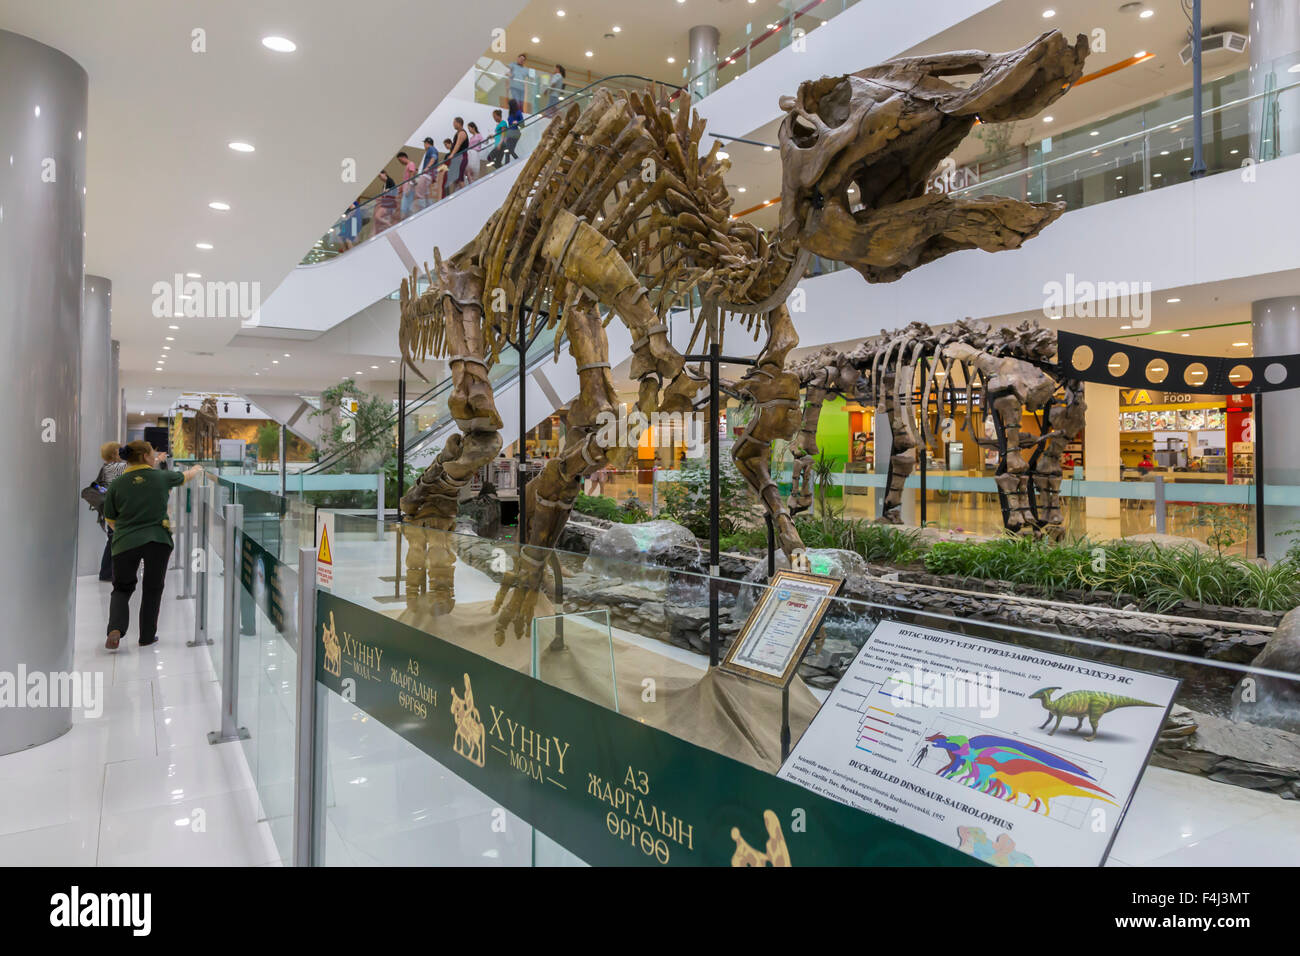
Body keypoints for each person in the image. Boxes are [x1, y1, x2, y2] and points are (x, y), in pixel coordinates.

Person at [102, 441, 202, 650]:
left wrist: (126, 529)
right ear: (147, 457)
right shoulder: (161, 477)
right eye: (153, 453)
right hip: (157, 540)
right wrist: (196, 469)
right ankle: (147, 636)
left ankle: (115, 628)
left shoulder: (117, 484)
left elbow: (110, 518)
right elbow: (185, 477)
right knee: (153, 588)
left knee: (121, 588)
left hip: (125, 542)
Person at [91, 441, 127, 581]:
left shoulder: (105, 467)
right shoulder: (117, 467)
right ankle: (107, 572)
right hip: (117, 509)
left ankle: (108, 571)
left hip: (110, 508)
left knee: (113, 539)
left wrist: (106, 492)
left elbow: (96, 485)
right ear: (114, 453)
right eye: (119, 450)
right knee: (114, 540)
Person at [448, 117, 470, 192]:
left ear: (459, 123)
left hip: (461, 157)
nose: (453, 124)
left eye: (454, 123)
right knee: (456, 179)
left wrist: (452, 154)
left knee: (460, 179)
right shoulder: (458, 133)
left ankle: (466, 194)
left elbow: (458, 145)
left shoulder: (462, 133)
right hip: (458, 158)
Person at [500, 99, 523, 166]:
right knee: (509, 150)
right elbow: (509, 125)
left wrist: (517, 122)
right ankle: (510, 164)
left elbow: (523, 124)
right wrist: (505, 136)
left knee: (508, 150)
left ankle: (509, 164)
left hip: (515, 133)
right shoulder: (510, 113)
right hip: (510, 133)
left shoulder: (518, 113)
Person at [396, 151, 417, 218]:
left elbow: (412, 175)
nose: (400, 162)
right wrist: (401, 188)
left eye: (400, 160)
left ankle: (406, 221)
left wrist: (409, 186)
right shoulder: (408, 166)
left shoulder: (411, 164)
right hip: (407, 188)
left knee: (405, 208)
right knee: (405, 207)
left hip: (409, 188)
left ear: (404, 157)